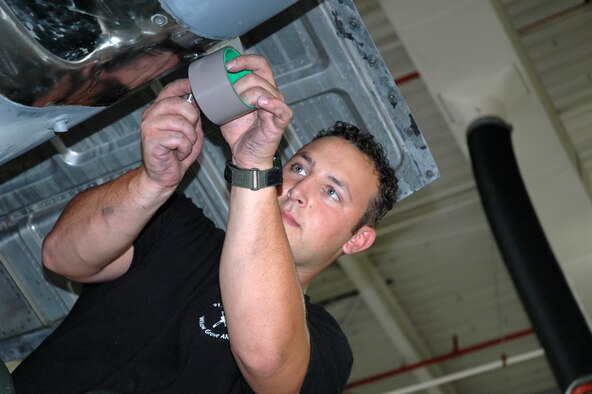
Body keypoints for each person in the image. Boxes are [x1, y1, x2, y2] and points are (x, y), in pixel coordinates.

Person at [12, 54, 397, 393]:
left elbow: (265, 358)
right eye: (298, 167)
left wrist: (252, 167)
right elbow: (61, 256)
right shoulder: (174, 226)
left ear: (358, 240)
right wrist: (153, 182)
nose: (298, 190)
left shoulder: (324, 344)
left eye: (332, 192)